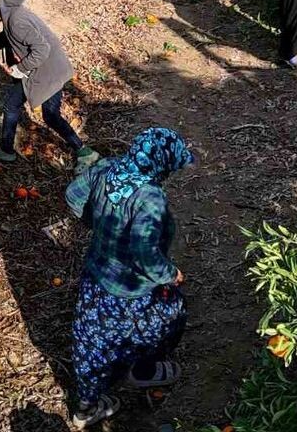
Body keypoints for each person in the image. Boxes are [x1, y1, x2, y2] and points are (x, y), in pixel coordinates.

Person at [64, 127, 194, 429]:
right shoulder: (149, 200)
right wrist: (169, 274)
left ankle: (86, 406)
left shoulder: (108, 168)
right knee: (170, 318)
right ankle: (145, 370)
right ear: (161, 165)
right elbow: (145, 254)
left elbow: (73, 195)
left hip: (96, 279)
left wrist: (97, 225)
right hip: (131, 290)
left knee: (92, 341)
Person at [0, 0, 99, 169]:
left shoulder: (16, 21)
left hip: (47, 71)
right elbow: (5, 38)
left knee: (25, 108)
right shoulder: (16, 15)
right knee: (38, 111)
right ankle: (82, 151)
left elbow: (41, 49)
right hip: (51, 68)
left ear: (1, 0)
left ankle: (82, 151)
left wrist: (20, 68)